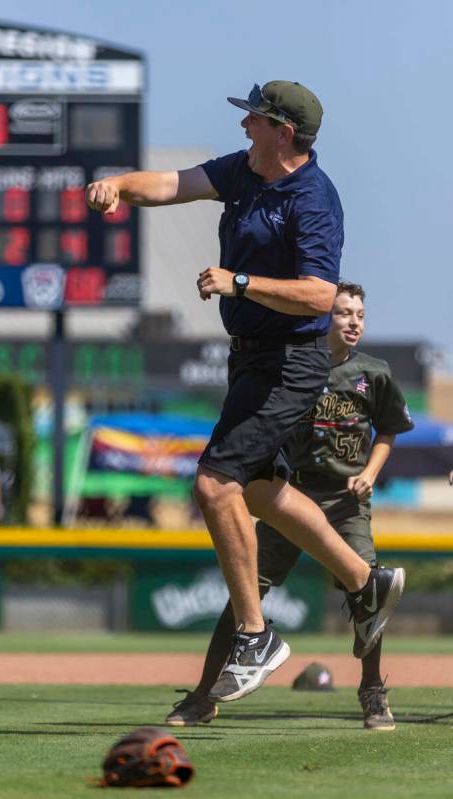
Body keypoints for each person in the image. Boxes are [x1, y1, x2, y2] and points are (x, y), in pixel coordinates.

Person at [86, 81, 406, 702]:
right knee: (261, 489)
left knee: (214, 485)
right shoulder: (245, 170)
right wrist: (121, 187)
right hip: (253, 359)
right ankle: (363, 583)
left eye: (255, 120)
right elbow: (176, 184)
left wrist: (240, 281)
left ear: (283, 133)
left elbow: (319, 293)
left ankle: (256, 637)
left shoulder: (313, 198)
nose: (244, 128)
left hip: (291, 362)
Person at [166, 282, 414, 730]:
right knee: (245, 596)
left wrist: (370, 474)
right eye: (343, 312)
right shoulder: (298, 366)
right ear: (323, 318)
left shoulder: (373, 372)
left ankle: (373, 693)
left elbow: (390, 429)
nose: (354, 320)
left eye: (360, 313)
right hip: (287, 498)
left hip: (344, 501)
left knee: (368, 593)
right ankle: (203, 696)